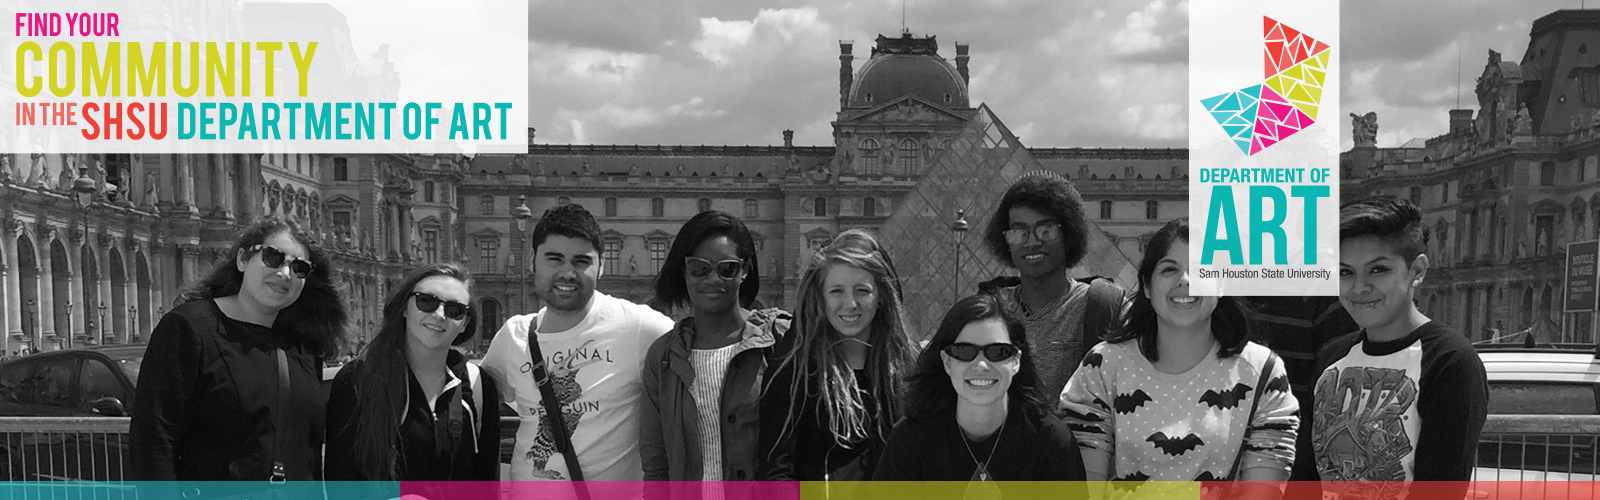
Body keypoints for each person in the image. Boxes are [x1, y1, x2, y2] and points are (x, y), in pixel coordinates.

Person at [1060, 217, 1298, 499]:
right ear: (1147, 286)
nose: (1185, 280)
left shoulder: (1262, 372)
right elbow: (1085, 486)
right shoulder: (1103, 367)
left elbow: (1263, 491)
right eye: (1169, 269)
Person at [129, 216, 347, 489]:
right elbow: (154, 441)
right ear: (243, 259)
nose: (285, 273)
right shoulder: (189, 328)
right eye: (273, 257)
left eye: (299, 267)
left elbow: (308, 452)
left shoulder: (303, 345)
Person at [479, 204, 675, 499]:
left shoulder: (640, 327)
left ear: (602, 265)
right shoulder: (513, 335)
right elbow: (471, 405)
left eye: (581, 261)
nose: (568, 273)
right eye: (554, 259)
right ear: (532, 261)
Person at [1305, 197, 1488, 500]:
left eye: (1378, 270)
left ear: (1417, 270)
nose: (1359, 287)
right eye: (1345, 272)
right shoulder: (1331, 358)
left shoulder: (1450, 361)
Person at [639, 211, 791, 499]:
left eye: (727, 268)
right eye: (699, 268)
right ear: (683, 270)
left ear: (745, 270)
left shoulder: (781, 341)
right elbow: (656, 464)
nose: (712, 278)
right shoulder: (662, 357)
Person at [873, 294, 1086, 498]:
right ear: (947, 362)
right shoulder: (911, 439)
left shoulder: (1051, 441)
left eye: (998, 352)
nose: (982, 365)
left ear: (1016, 361)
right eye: (964, 351)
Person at [757, 229, 915, 486]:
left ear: (881, 297)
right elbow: (775, 471)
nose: (850, 304)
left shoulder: (909, 374)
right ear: (820, 298)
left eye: (862, 290)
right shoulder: (793, 373)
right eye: (836, 291)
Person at [325, 263, 499, 496]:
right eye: (426, 301)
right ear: (405, 308)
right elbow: (340, 485)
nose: (439, 315)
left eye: (455, 310)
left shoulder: (478, 386)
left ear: (464, 324)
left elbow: (488, 487)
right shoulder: (356, 381)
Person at [982, 172, 1124, 400]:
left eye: (1046, 230)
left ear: (1068, 234)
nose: (1031, 242)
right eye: (1019, 232)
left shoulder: (1105, 307)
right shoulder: (989, 308)